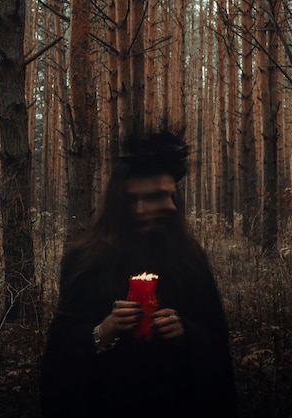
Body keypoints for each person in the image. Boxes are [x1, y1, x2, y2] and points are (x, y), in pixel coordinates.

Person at [40, 131, 238, 418]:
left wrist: (184, 332)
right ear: (122, 203)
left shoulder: (189, 258)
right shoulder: (86, 260)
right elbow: (61, 350)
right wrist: (103, 332)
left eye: (162, 196)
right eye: (140, 199)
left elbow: (215, 339)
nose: (153, 208)